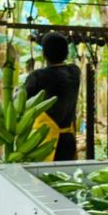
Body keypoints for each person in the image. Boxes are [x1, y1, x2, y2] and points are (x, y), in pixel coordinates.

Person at [23, 32, 80, 162]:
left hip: (43, 141)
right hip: (67, 140)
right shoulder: (74, 72)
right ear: (66, 53)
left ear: (44, 54)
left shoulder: (37, 77)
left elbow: (21, 102)